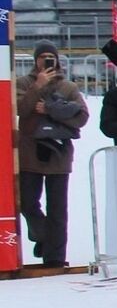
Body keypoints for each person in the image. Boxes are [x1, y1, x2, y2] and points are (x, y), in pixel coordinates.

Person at [15, 41, 88, 267]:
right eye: (42, 57)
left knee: (58, 208)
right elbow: (19, 109)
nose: (47, 60)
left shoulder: (68, 87)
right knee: (27, 203)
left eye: (51, 57)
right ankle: (45, 237)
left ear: (57, 60)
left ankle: (55, 257)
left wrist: (50, 109)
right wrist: (37, 86)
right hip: (30, 153)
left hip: (59, 152)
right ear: (35, 60)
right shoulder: (23, 83)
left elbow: (82, 117)